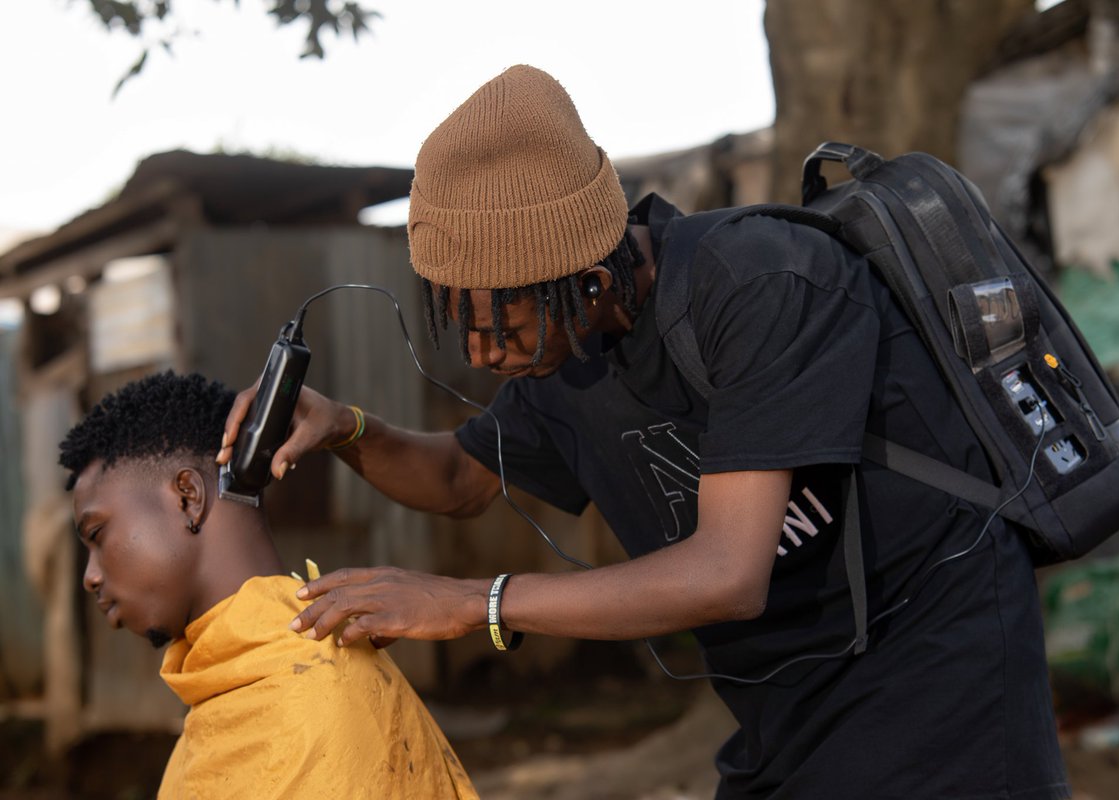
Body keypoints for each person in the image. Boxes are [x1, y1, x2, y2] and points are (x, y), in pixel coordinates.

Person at [218, 65, 1070, 799]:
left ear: (587, 282)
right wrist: (344, 427)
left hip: (932, 667)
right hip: (788, 701)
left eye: (505, 322)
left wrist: (471, 603)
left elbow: (727, 573)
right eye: (461, 324)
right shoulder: (568, 352)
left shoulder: (762, 283)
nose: (483, 353)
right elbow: (458, 481)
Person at [61, 371, 478, 800]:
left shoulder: (313, 700)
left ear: (188, 496)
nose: (90, 576)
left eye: (97, 535)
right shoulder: (221, 688)